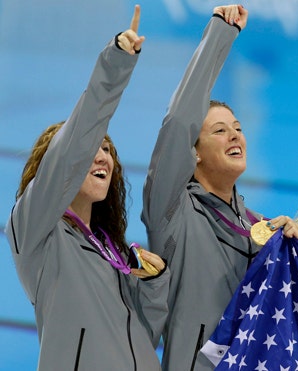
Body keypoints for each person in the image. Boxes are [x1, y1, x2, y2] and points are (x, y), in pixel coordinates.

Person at [5, 5, 169, 370]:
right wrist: (116, 65)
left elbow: (142, 337)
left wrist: (155, 284)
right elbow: (72, 147)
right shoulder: (36, 232)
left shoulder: (110, 248)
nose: (102, 158)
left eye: (107, 150)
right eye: (91, 150)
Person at [141, 5, 298, 370]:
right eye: (219, 130)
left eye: (238, 127)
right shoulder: (173, 213)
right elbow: (179, 122)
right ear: (192, 154)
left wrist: (295, 241)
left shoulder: (260, 227)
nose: (235, 135)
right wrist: (220, 35)